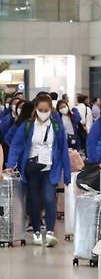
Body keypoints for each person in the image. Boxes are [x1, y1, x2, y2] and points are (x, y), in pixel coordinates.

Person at [7, 93, 71, 247]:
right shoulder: (28, 125)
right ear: (36, 109)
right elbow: (16, 145)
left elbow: (63, 149)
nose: (43, 112)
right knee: (34, 201)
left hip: (50, 169)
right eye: (41, 109)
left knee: (49, 199)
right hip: (32, 169)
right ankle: (36, 231)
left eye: (46, 109)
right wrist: (11, 164)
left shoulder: (56, 126)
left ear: (51, 110)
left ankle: (49, 232)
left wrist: (67, 174)